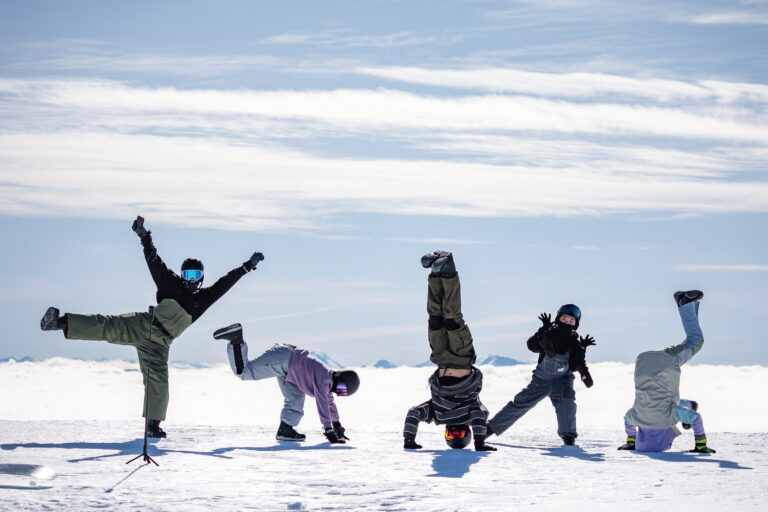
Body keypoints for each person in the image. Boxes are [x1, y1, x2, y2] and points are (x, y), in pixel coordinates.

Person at [40, 216, 263, 438]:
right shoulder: (171, 283)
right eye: (188, 274)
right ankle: (59, 323)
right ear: (183, 275)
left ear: (202, 278)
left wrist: (247, 267)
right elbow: (153, 260)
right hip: (143, 326)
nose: (191, 279)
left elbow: (226, 282)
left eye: (195, 275)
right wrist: (144, 236)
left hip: (161, 344)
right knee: (107, 326)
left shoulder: (204, 299)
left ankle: (152, 426)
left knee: (159, 381)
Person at [403, 251, 496, 452]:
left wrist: (409, 440)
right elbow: (480, 418)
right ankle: (447, 270)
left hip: (443, 359)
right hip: (461, 359)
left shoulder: (437, 414)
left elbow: (413, 414)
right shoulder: (470, 413)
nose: (454, 431)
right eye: (458, 434)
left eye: (450, 434)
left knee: (437, 318)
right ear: (467, 432)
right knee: (451, 318)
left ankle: (437, 273)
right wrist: (480, 444)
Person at [215, 323, 360, 444]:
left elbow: (330, 404)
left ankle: (285, 429)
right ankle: (236, 339)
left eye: (343, 393)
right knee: (245, 372)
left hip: (288, 367)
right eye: (342, 388)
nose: (339, 391)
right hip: (283, 359)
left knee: (296, 398)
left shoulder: (327, 379)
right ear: (340, 376)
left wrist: (337, 425)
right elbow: (322, 404)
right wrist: (329, 430)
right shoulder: (324, 380)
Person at [619, 290, 715, 453]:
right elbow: (627, 420)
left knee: (696, 341)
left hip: (665, 362)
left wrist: (701, 444)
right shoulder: (637, 417)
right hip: (642, 363)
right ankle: (690, 304)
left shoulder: (668, 419)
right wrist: (631, 441)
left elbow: (696, 419)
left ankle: (685, 303)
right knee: (666, 399)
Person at [486, 304, 595, 445]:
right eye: (564, 318)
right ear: (558, 318)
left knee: (567, 404)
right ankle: (489, 430)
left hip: (563, 380)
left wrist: (582, 355)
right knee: (521, 402)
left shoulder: (574, 341)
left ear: (576, 324)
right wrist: (543, 330)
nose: (567, 322)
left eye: (571, 321)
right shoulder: (549, 333)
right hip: (541, 380)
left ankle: (569, 438)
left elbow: (575, 364)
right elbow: (532, 346)